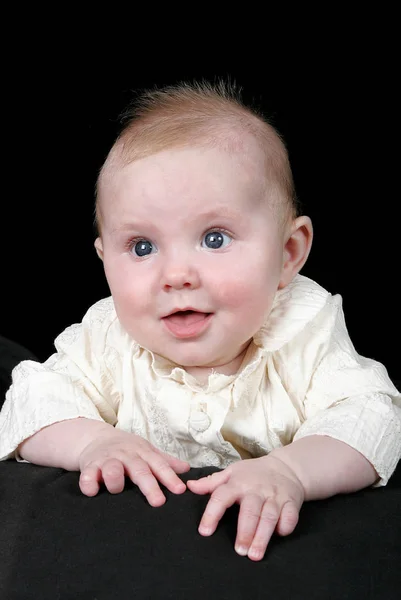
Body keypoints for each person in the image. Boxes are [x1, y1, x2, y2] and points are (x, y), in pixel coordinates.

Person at [1, 80, 400, 562]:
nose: (176, 276)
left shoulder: (303, 326)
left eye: (214, 239)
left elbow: (371, 416)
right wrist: (93, 442)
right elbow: (31, 402)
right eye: (142, 247)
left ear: (288, 253)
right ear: (104, 260)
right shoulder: (108, 335)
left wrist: (292, 471)